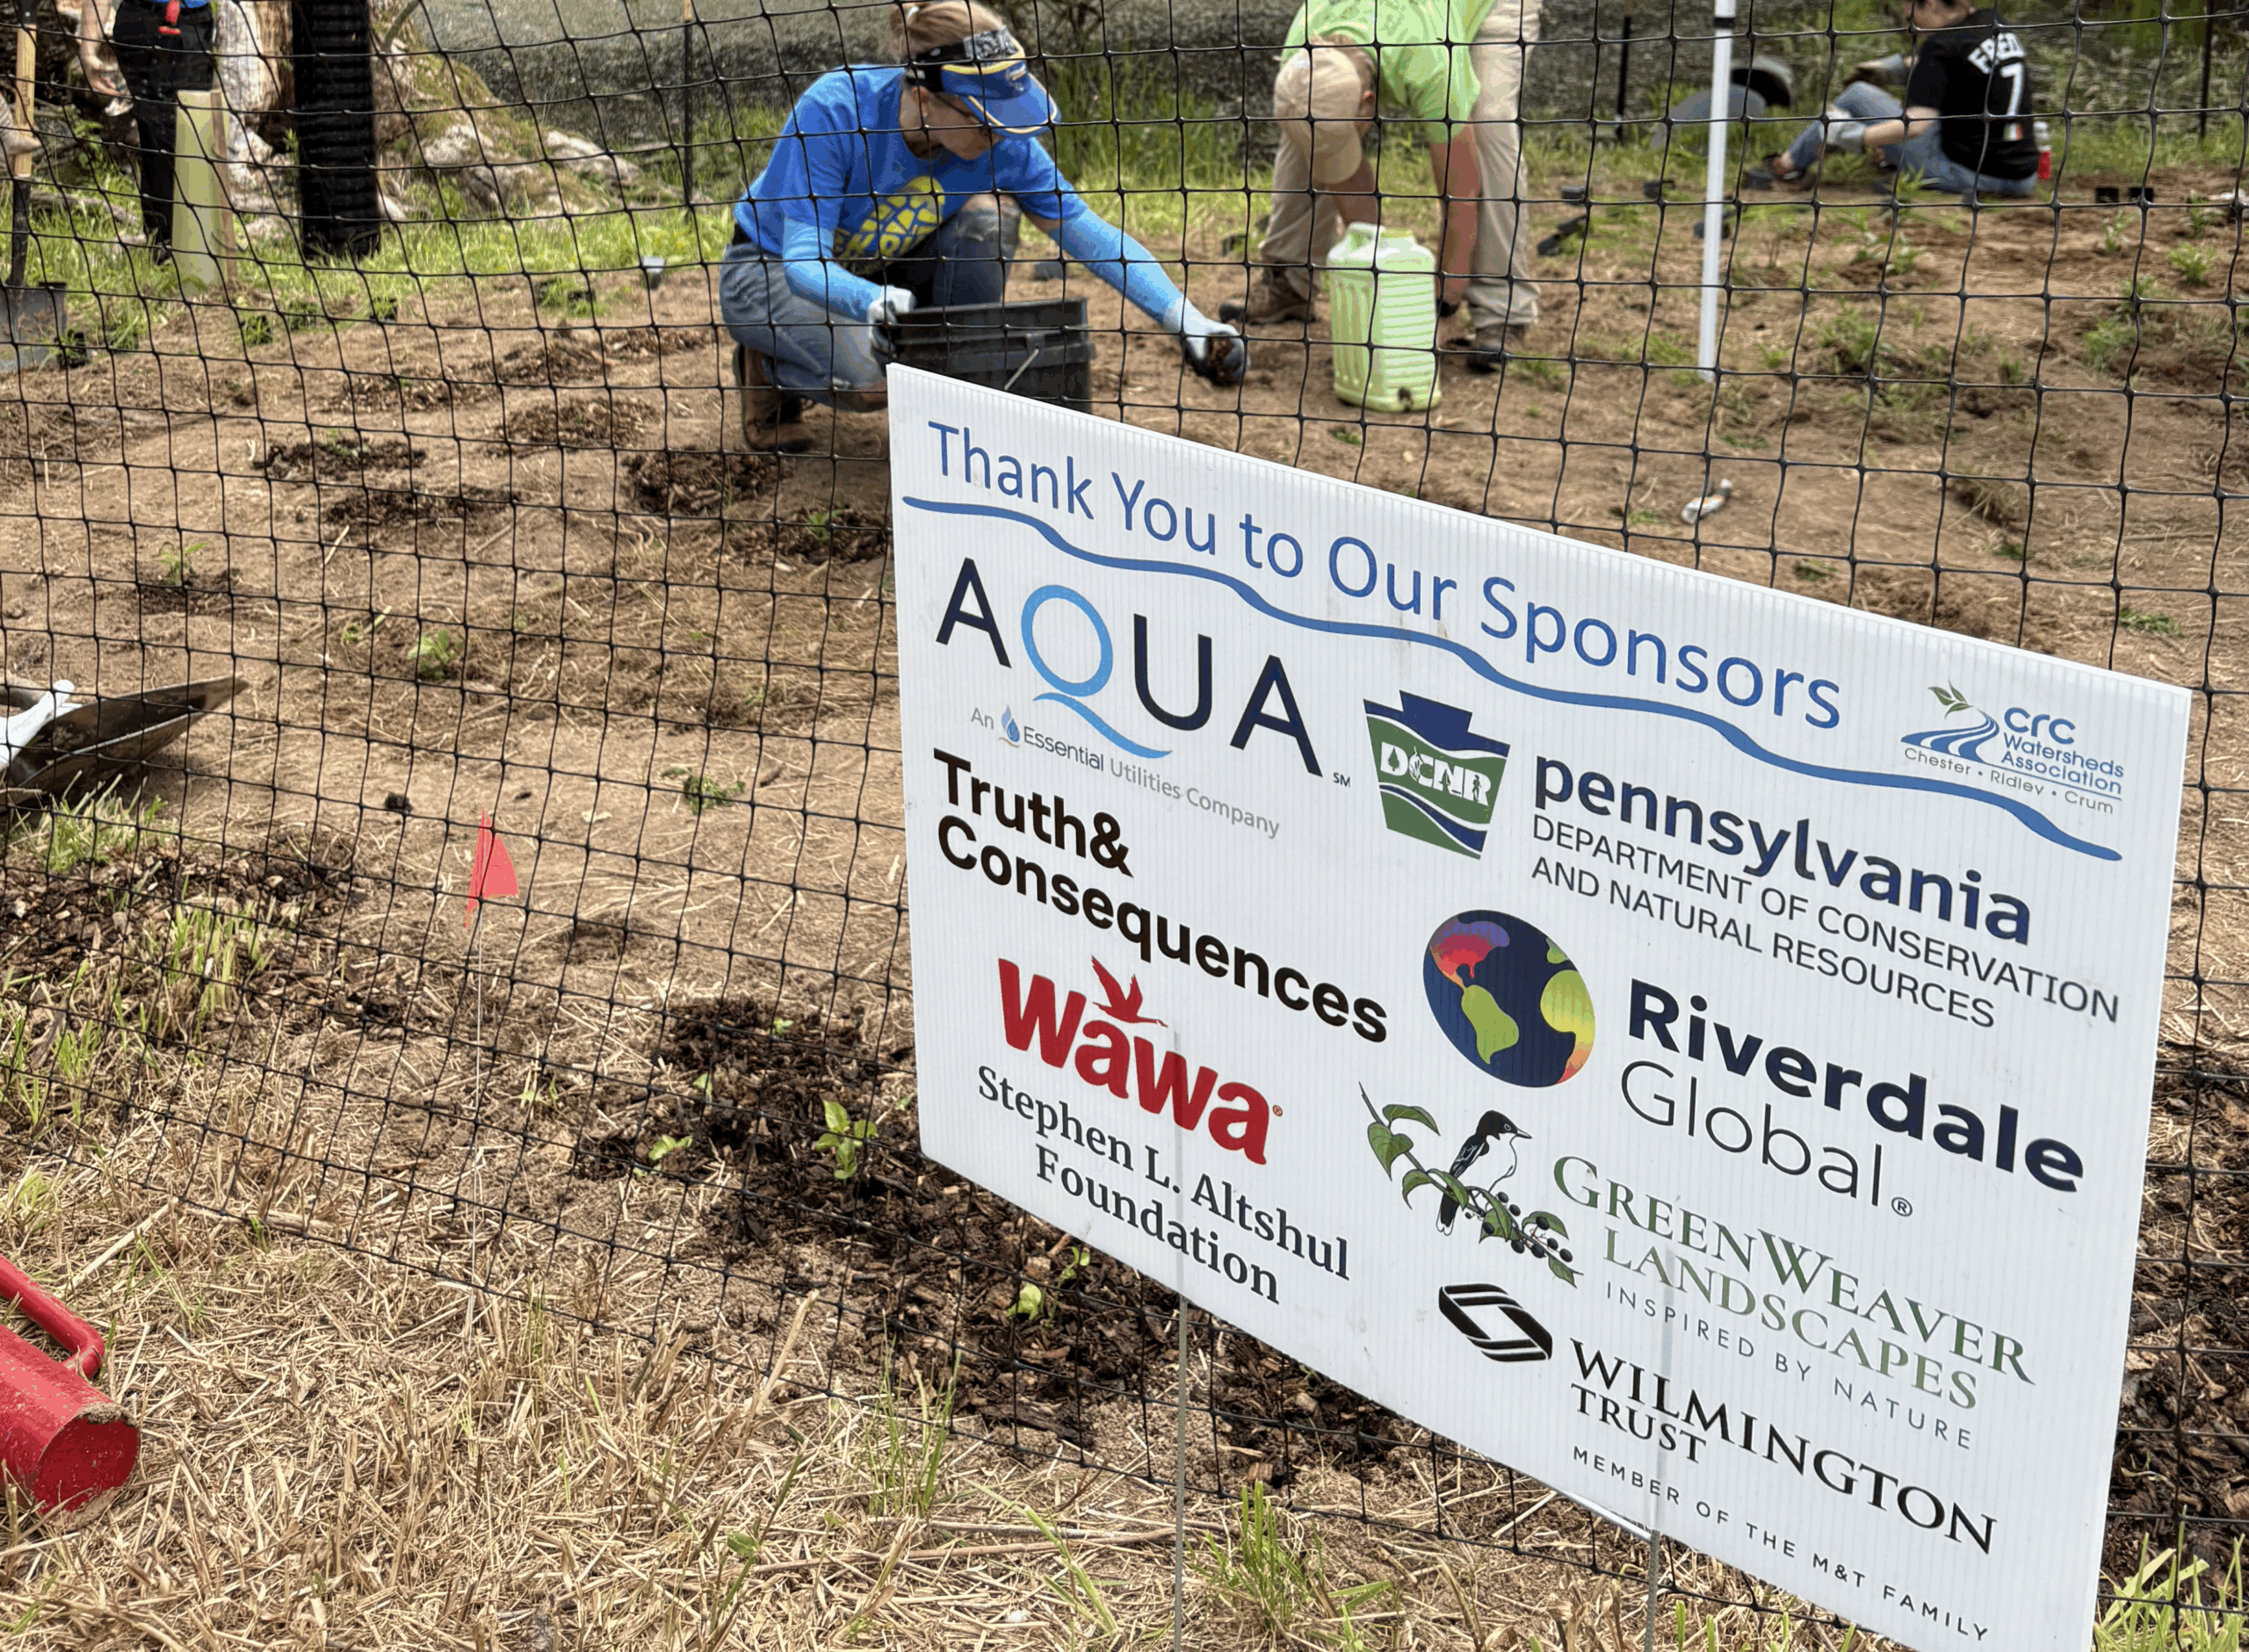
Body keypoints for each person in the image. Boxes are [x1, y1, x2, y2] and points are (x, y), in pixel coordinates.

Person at [721, 0, 1247, 451]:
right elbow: (804, 263)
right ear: (925, 96)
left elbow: (1088, 231)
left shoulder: (1001, 145)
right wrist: (868, 303)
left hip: (881, 267)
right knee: (879, 379)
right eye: (984, 116)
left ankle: (944, 384)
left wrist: (1186, 318)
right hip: (766, 272)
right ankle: (767, 369)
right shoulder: (835, 110)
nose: (1003, 134)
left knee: (986, 225)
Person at [1219, 0, 1540, 372]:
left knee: (1489, 128)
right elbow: (1346, 179)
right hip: (1412, 23)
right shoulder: (1303, 49)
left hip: (1489, 8)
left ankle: (1500, 311)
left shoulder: (1430, 63)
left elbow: (1461, 197)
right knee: (1307, 120)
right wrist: (1377, 281)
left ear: (1368, 103)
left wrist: (1440, 309)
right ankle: (1290, 280)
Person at [1745, 0, 2037, 198]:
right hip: (2023, 175)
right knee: (1863, 96)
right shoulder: (1992, 21)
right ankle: (1800, 164)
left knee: (1855, 97)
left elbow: (1916, 125)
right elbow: (1961, 61)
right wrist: (1894, 69)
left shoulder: (1939, 46)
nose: (1913, 25)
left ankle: (1787, 168)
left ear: (1932, 4)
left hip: (1969, 174)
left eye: (1913, 16)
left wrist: (1851, 137)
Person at [81, 0, 215, 260]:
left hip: (196, 22)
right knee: (159, 133)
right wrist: (88, 51)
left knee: (193, 132)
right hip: (142, 24)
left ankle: (197, 240)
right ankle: (165, 242)